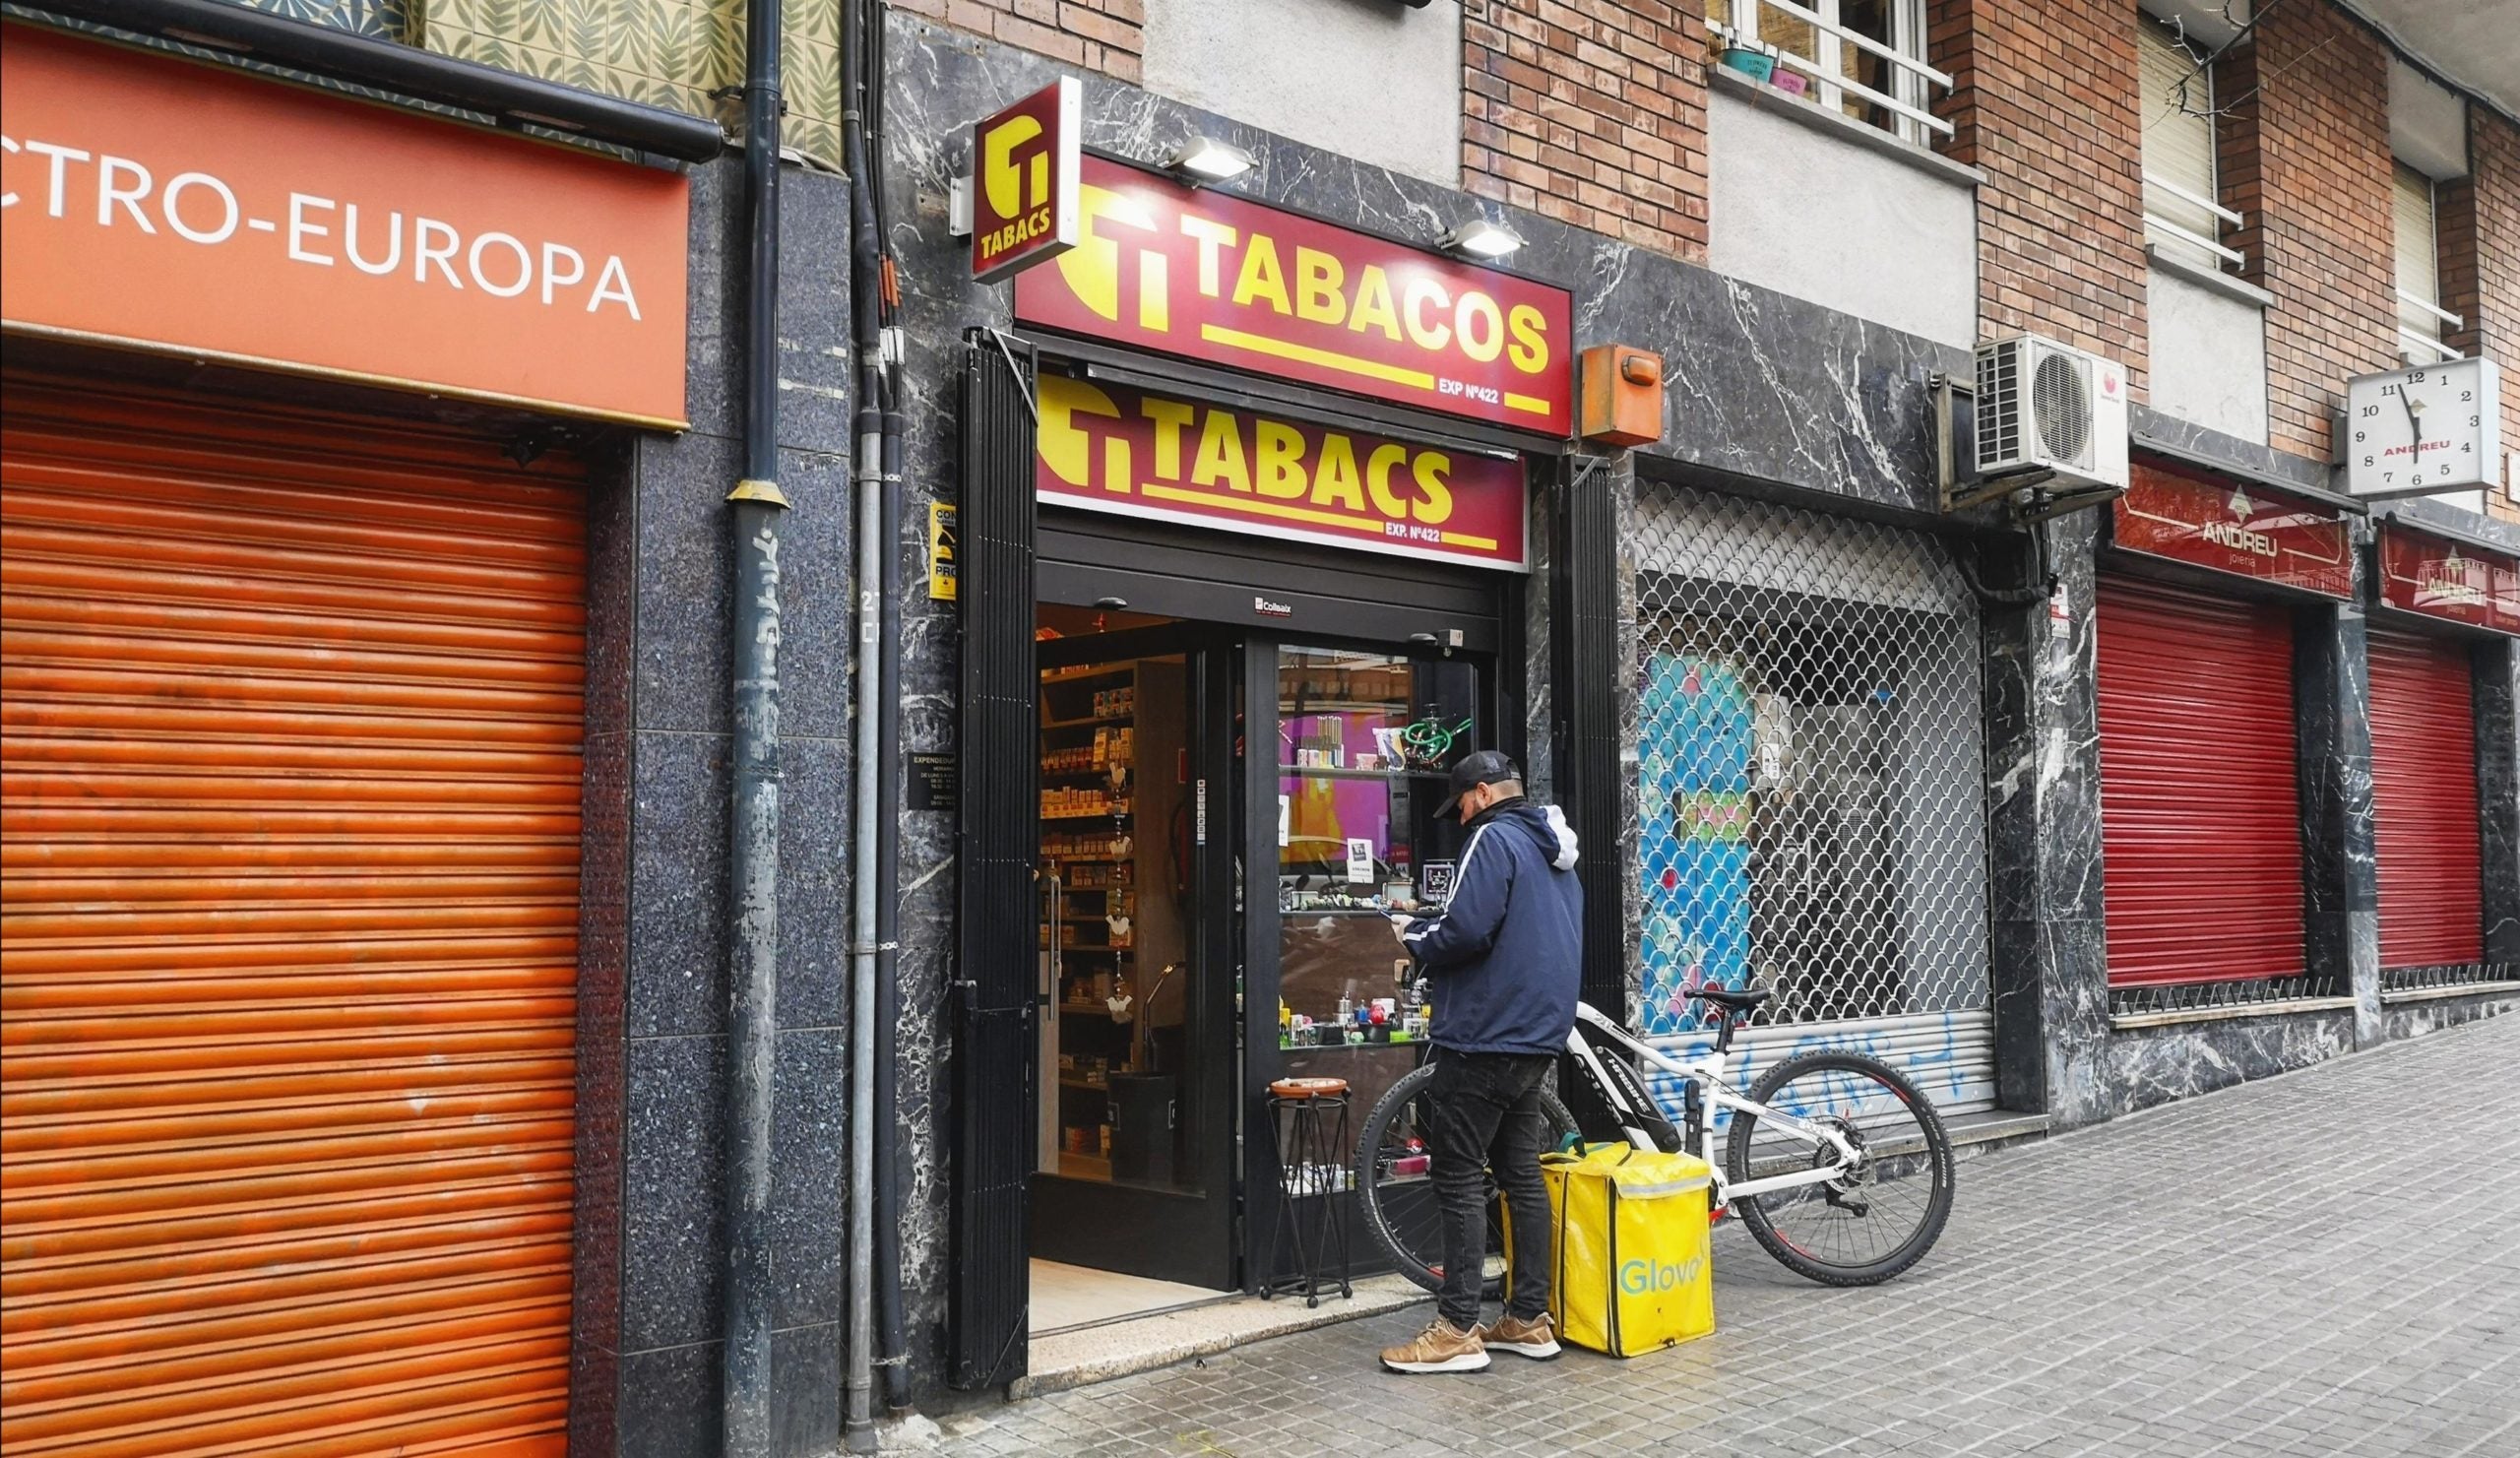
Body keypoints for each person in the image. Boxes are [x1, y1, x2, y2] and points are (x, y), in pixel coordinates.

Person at [1377, 750, 1583, 1374]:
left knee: (1458, 1175)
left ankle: (1457, 1328)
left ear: (1485, 794)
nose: (1460, 815)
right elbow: (1510, 927)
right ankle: (1527, 1318)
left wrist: (1412, 937)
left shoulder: (1493, 839)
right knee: (1520, 1175)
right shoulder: (1553, 849)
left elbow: (1467, 931)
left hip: (1485, 1034)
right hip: (1536, 1034)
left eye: (1463, 802)